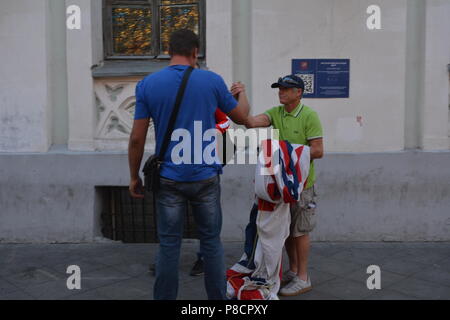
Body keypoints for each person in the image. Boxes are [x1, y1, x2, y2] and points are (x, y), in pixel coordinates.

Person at [128, 29, 250, 300]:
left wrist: (134, 176)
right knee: (211, 244)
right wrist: (241, 94)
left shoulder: (148, 84)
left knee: (169, 245)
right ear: (195, 52)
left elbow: (137, 139)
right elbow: (241, 118)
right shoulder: (212, 81)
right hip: (205, 177)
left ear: (170, 51)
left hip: (169, 178)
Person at [242, 74, 324, 296]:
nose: (281, 91)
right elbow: (249, 122)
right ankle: (294, 270)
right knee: (286, 232)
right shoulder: (275, 113)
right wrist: (240, 95)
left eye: (286, 89)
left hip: (303, 185)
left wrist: (288, 153)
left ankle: (304, 278)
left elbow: (318, 150)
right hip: (283, 186)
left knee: (300, 231)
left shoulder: (309, 116)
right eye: (279, 88)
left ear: (298, 92)